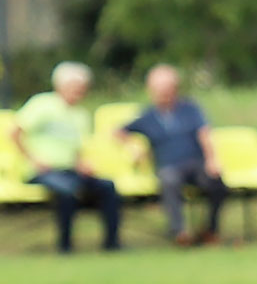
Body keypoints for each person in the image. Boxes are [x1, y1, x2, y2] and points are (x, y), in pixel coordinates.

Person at [11, 61, 122, 254]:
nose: (79, 92)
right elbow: (15, 132)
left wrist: (82, 164)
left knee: (107, 187)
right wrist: (33, 158)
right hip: (43, 171)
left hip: (70, 170)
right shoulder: (42, 105)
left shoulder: (81, 115)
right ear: (60, 86)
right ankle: (65, 246)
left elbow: (77, 149)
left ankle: (111, 244)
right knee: (67, 191)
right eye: (75, 87)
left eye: (83, 88)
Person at [121, 64, 227, 247]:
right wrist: (134, 147)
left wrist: (212, 160)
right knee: (169, 180)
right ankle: (179, 232)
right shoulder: (147, 116)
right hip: (168, 166)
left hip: (195, 162)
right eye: (159, 91)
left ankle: (211, 229)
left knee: (216, 182)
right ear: (151, 91)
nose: (164, 95)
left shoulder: (190, 108)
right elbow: (118, 132)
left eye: (168, 90)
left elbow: (204, 134)